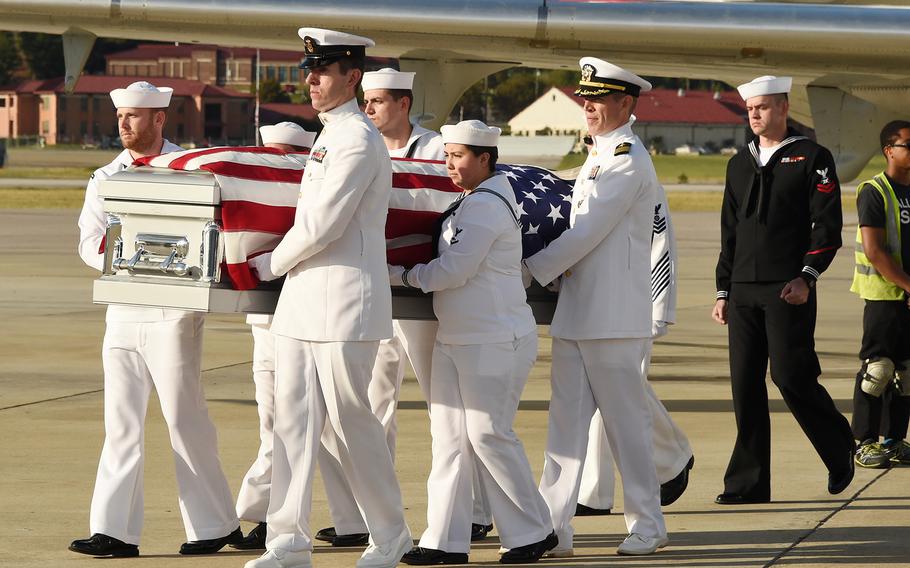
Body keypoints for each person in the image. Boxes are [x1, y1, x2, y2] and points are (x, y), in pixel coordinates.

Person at [244, 28, 411, 568]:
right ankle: (286, 542)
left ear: (352, 76)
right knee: (291, 425)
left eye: (322, 70)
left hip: (342, 302)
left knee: (351, 422)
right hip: (304, 302)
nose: (310, 79)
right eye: (307, 70)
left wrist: (269, 263)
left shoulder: (357, 140)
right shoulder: (331, 135)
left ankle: (389, 533)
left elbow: (322, 224)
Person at [315, 67, 494, 550]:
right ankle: (372, 516)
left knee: (446, 405)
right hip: (378, 289)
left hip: (423, 295)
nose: (368, 109)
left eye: (377, 102)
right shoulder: (356, 143)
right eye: (366, 101)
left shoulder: (438, 149)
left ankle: (473, 509)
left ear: (403, 105)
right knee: (374, 407)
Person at [69, 81, 241, 558]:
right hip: (122, 307)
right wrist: (127, 252)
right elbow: (89, 242)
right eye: (121, 115)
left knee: (185, 420)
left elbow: (214, 232)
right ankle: (114, 531)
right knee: (120, 423)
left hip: (173, 309)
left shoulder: (191, 170)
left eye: (135, 116)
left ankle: (214, 525)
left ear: (160, 118)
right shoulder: (105, 175)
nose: (124, 124)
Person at [388, 119, 556, 565]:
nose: (450, 164)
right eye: (446, 155)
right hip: (458, 337)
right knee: (449, 440)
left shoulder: (486, 205)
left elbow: (453, 271)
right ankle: (444, 540)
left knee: (488, 435)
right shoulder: (471, 201)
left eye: (458, 156)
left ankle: (534, 531)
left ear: (485, 158)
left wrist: (399, 276)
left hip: (494, 339)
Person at [523, 58, 668, 557]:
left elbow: (585, 232)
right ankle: (555, 528)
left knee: (627, 428)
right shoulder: (601, 153)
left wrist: (526, 270)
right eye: (585, 97)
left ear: (625, 104)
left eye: (598, 98)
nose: (587, 106)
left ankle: (649, 523)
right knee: (564, 429)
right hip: (579, 313)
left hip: (612, 318)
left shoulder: (627, 157)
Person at [712, 75, 855, 504]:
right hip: (741, 291)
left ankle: (839, 448)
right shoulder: (739, 162)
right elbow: (729, 231)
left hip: (787, 288)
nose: (754, 115)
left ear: (783, 107)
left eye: (763, 107)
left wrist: (807, 276)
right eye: (750, 109)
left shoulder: (813, 157)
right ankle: (748, 483)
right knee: (745, 386)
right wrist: (723, 291)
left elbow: (827, 226)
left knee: (791, 376)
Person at [577, 181, 695, 514]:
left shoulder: (639, 178)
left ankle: (672, 459)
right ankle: (593, 492)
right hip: (593, 303)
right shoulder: (584, 178)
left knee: (623, 388)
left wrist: (659, 307)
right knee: (605, 391)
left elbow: (661, 244)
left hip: (635, 305)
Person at [232, 122, 317, 551]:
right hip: (264, 329)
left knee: (293, 429)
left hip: (304, 324)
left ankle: (268, 517)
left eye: (283, 156)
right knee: (273, 425)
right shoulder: (256, 198)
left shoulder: (312, 197)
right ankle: (269, 515)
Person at [849, 120, 910, 469]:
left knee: (906, 373)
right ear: (889, 150)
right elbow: (875, 251)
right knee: (879, 370)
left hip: (906, 295)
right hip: (883, 294)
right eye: (907, 145)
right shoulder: (875, 190)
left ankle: (894, 439)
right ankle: (865, 442)